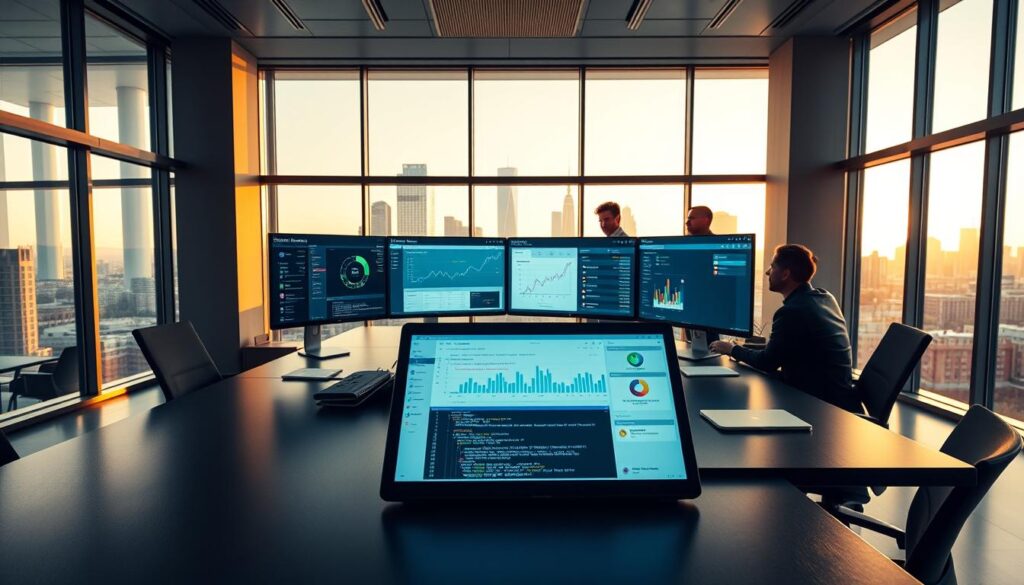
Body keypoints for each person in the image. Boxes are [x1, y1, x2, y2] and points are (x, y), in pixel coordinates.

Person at [709, 244, 859, 413]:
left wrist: (731, 349)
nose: (767, 272)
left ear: (786, 274)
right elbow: (786, 349)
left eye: (772, 267)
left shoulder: (792, 312)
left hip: (821, 406)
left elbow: (767, 362)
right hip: (838, 397)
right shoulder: (823, 297)